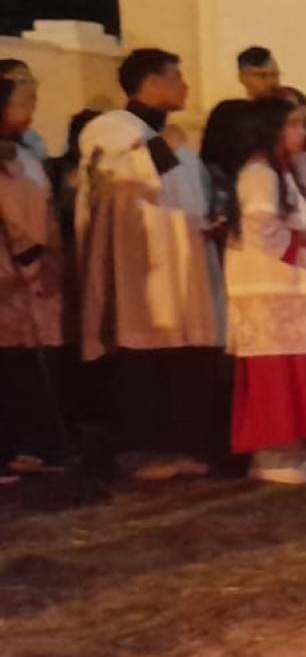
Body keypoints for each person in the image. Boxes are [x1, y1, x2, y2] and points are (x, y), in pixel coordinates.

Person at [75, 49, 228, 480]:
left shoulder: (172, 135)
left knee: (184, 361)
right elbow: (118, 178)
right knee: (143, 360)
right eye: (177, 77)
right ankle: (141, 451)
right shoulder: (109, 128)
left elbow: (189, 194)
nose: (186, 86)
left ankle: (183, 447)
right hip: (140, 270)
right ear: (151, 82)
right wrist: (165, 147)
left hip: (186, 266)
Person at [210, 97, 306, 484]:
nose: (303, 132)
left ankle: (293, 448)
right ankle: (271, 454)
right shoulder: (259, 174)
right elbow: (262, 229)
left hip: (292, 287)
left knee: (295, 368)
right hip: (270, 288)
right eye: (295, 125)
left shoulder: (281, 172)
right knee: (274, 372)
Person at [0, 77, 68, 472]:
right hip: (12, 271)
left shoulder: (24, 155)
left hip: (37, 269)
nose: (32, 111)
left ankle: (35, 444)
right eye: (24, 102)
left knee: (30, 361)